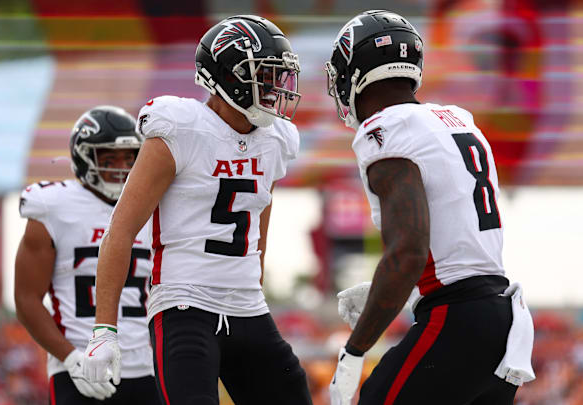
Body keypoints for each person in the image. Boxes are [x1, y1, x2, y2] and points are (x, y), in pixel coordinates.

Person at [81, 15, 312, 405]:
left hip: (246, 304)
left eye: (277, 77)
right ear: (228, 77)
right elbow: (120, 230)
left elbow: (260, 225)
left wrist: (253, 286)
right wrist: (104, 329)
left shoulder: (276, 140)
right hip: (184, 303)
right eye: (264, 75)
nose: (274, 88)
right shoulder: (181, 129)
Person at [324, 10, 536, 405]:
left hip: (457, 319)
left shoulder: (384, 129)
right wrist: (391, 292)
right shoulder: (458, 119)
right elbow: (455, 242)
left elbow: (408, 251)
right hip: (503, 318)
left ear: (356, 72)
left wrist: (355, 349)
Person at [14, 106, 162, 405]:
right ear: (83, 157)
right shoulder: (53, 206)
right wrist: (69, 358)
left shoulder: (156, 205)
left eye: (128, 156)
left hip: (147, 367)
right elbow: (26, 299)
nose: (122, 166)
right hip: (79, 364)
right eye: (109, 157)